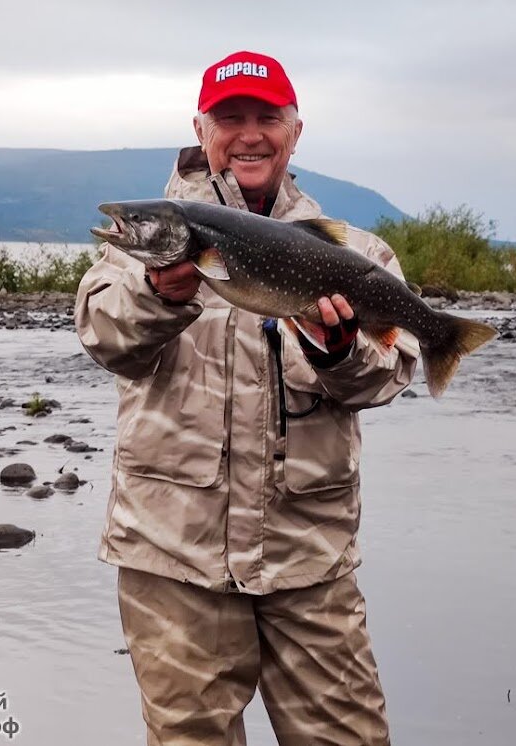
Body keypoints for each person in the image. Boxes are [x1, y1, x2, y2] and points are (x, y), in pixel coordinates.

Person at [75, 50, 418, 746]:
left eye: (268, 117)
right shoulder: (143, 245)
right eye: (230, 119)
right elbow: (105, 336)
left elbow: (389, 373)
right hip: (171, 555)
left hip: (308, 554)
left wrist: (339, 350)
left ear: (296, 131)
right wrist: (155, 294)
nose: (250, 134)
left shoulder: (357, 252)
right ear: (201, 130)